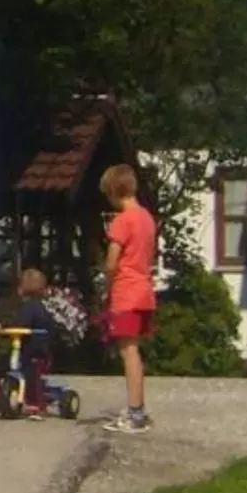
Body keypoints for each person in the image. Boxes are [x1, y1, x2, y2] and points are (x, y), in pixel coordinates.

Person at [98, 162, 157, 434]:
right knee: (134, 350)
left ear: (112, 191)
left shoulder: (122, 221)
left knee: (127, 351)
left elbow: (112, 261)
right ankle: (138, 409)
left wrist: (106, 285)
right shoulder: (146, 218)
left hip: (126, 292)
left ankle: (135, 413)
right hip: (144, 290)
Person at [10, 267, 59, 416]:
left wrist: (11, 326)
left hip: (37, 349)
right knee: (23, 369)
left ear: (22, 289)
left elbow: (23, 323)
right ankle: (23, 396)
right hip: (33, 347)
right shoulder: (37, 307)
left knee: (31, 373)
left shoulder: (31, 308)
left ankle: (37, 403)